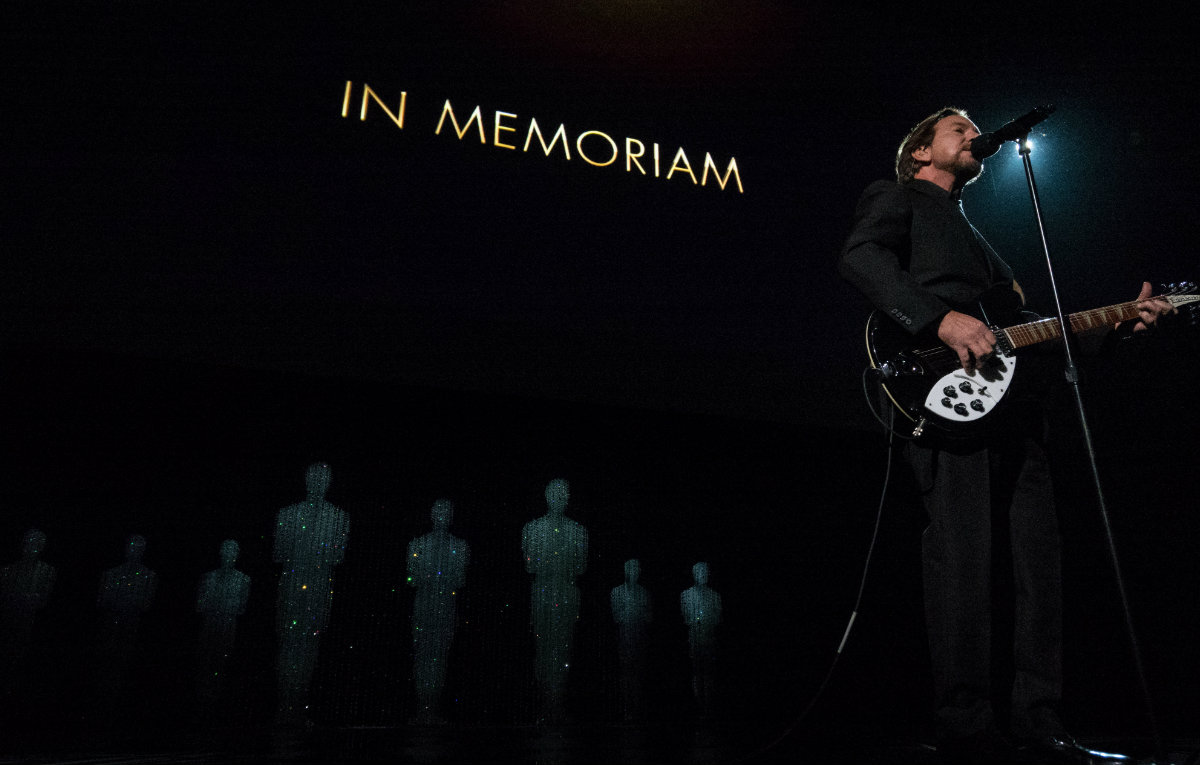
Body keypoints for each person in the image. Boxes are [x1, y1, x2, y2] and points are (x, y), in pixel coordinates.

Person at [838, 107, 1172, 764]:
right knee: (962, 561)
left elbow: (1023, 327)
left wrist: (1114, 325)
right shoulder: (899, 196)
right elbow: (860, 256)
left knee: (1037, 565)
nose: (971, 132)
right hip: (943, 396)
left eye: (972, 126)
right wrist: (940, 321)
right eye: (955, 127)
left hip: (1016, 411)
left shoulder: (977, 236)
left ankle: (1039, 721)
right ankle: (965, 726)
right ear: (919, 153)